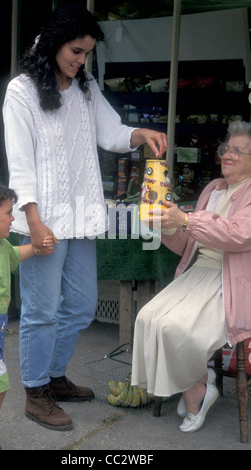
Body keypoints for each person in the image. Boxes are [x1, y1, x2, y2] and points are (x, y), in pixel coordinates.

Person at [2, 2, 168, 432]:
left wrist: (139, 133)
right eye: (76, 51)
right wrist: (34, 222)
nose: (80, 60)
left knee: (80, 306)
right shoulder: (21, 92)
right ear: (55, 44)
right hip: (42, 220)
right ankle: (36, 392)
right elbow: (20, 165)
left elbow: (111, 132)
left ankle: (53, 376)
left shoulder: (86, 88)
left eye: (86, 53)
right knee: (41, 311)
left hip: (80, 217)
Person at [131, 120, 251, 433]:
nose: (228, 155)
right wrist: (168, 224)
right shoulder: (212, 189)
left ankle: (197, 387)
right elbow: (188, 242)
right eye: (227, 149)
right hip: (195, 272)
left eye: (239, 151)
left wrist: (185, 219)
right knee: (146, 318)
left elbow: (238, 235)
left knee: (173, 327)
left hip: (229, 283)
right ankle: (201, 380)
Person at [0, 181, 54, 450]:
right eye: (8, 213)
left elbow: (14, 255)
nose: (14, 218)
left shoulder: (2, 246)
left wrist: (36, 249)